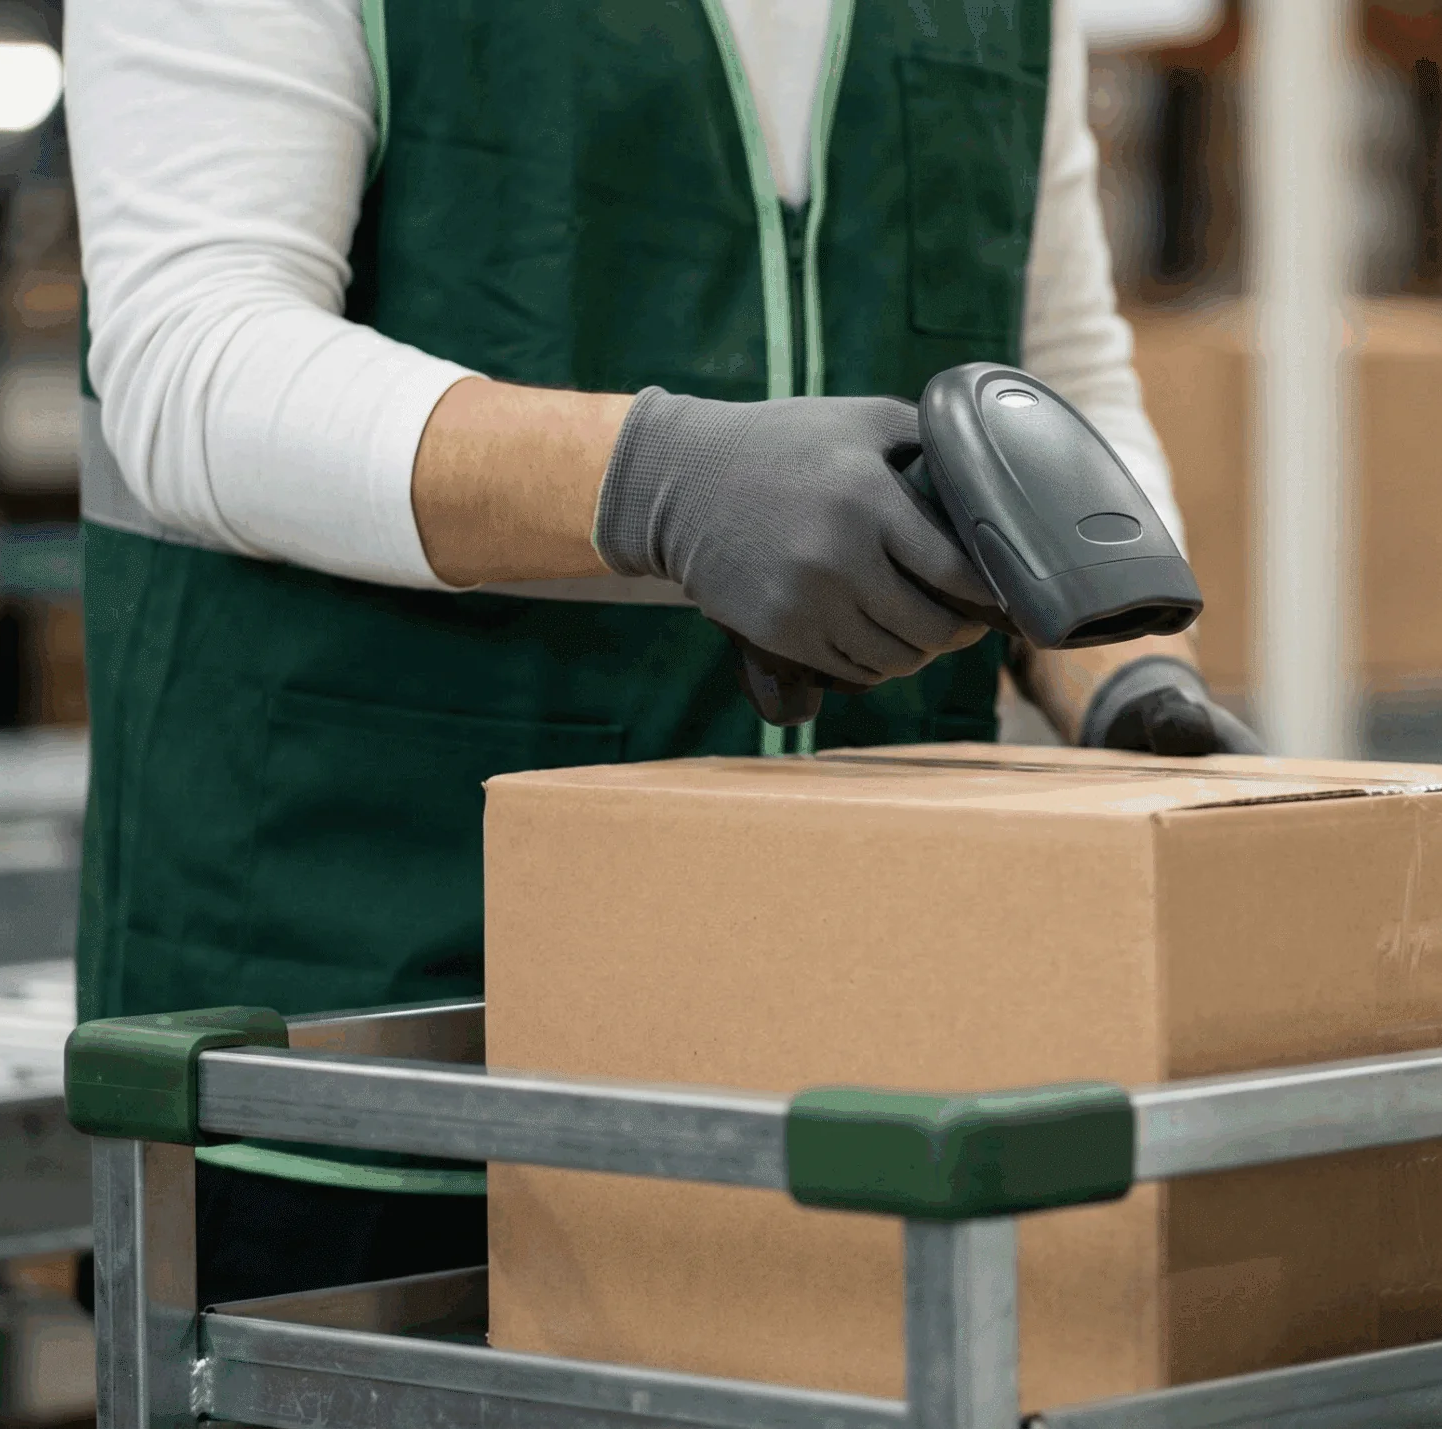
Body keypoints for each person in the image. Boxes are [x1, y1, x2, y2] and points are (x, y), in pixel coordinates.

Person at [63, 0, 1256, 1307]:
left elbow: (1053, 363)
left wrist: (1127, 678)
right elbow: (192, 358)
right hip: (360, 1028)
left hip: (853, 1059)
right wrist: (655, 484)